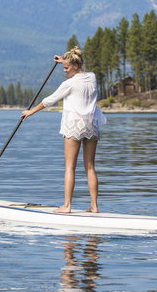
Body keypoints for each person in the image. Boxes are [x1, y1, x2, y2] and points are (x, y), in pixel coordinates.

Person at [21, 46, 106, 213]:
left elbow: (49, 100)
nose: (65, 71)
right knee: (90, 167)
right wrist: (63, 60)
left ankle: (67, 206)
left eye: (66, 68)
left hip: (74, 125)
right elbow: (76, 68)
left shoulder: (69, 84)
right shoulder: (92, 77)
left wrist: (31, 112)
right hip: (92, 125)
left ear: (74, 65)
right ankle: (94, 206)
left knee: (70, 167)